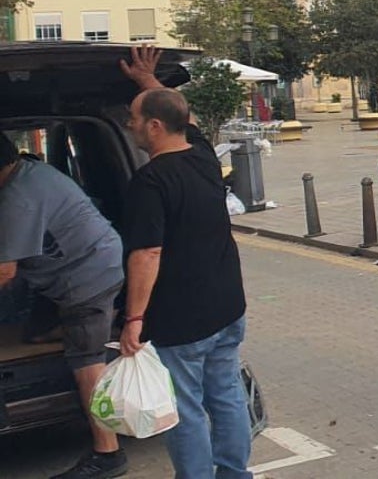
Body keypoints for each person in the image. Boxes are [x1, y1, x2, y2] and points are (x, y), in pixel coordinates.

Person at [119, 46, 252, 478]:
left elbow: (147, 254)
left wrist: (133, 318)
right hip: (228, 305)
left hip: (181, 319)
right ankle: (234, 473)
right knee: (227, 394)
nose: (130, 126)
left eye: (135, 120)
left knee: (187, 408)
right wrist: (148, 83)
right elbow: (185, 116)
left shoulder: (150, 180)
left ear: (154, 127)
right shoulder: (202, 156)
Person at [0, 134, 127, 479]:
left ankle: (108, 453)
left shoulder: (17, 198)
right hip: (66, 274)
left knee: (85, 361)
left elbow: (5, 272)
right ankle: (103, 328)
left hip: (86, 277)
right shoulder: (29, 170)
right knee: (36, 334)